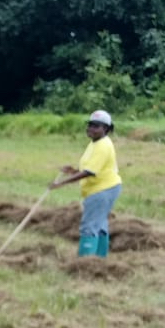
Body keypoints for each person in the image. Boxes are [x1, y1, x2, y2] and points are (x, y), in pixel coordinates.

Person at [49, 110, 122, 257]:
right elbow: (89, 168)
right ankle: (100, 259)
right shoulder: (95, 143)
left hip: (102, 190)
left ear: (106, 129)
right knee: (100, 224)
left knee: (89, 226)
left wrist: (61, 183)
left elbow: (89, 172)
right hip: (106, 187)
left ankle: (85, 263)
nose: (91, 129)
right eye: (90, 125)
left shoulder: (103, 146)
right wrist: (73, 171)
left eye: (96, 126)